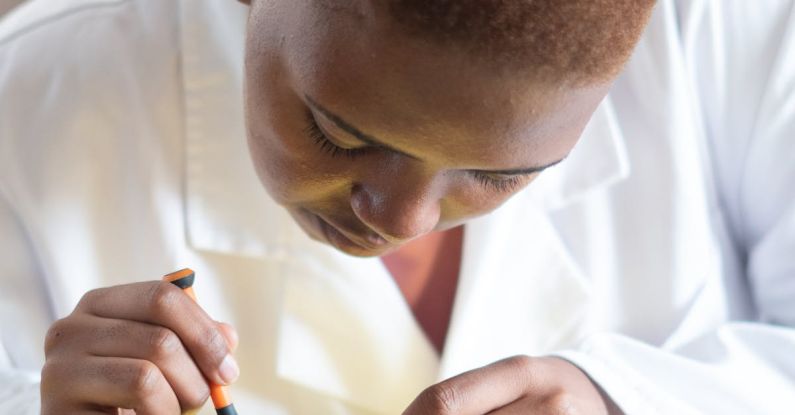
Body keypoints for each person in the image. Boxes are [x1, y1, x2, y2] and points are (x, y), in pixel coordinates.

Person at [1, 0, 794, 413]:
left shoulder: (726, 30)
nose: (401, 219)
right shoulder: (26, 110)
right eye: (340, 136)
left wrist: (628, 402)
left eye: (501, 172)